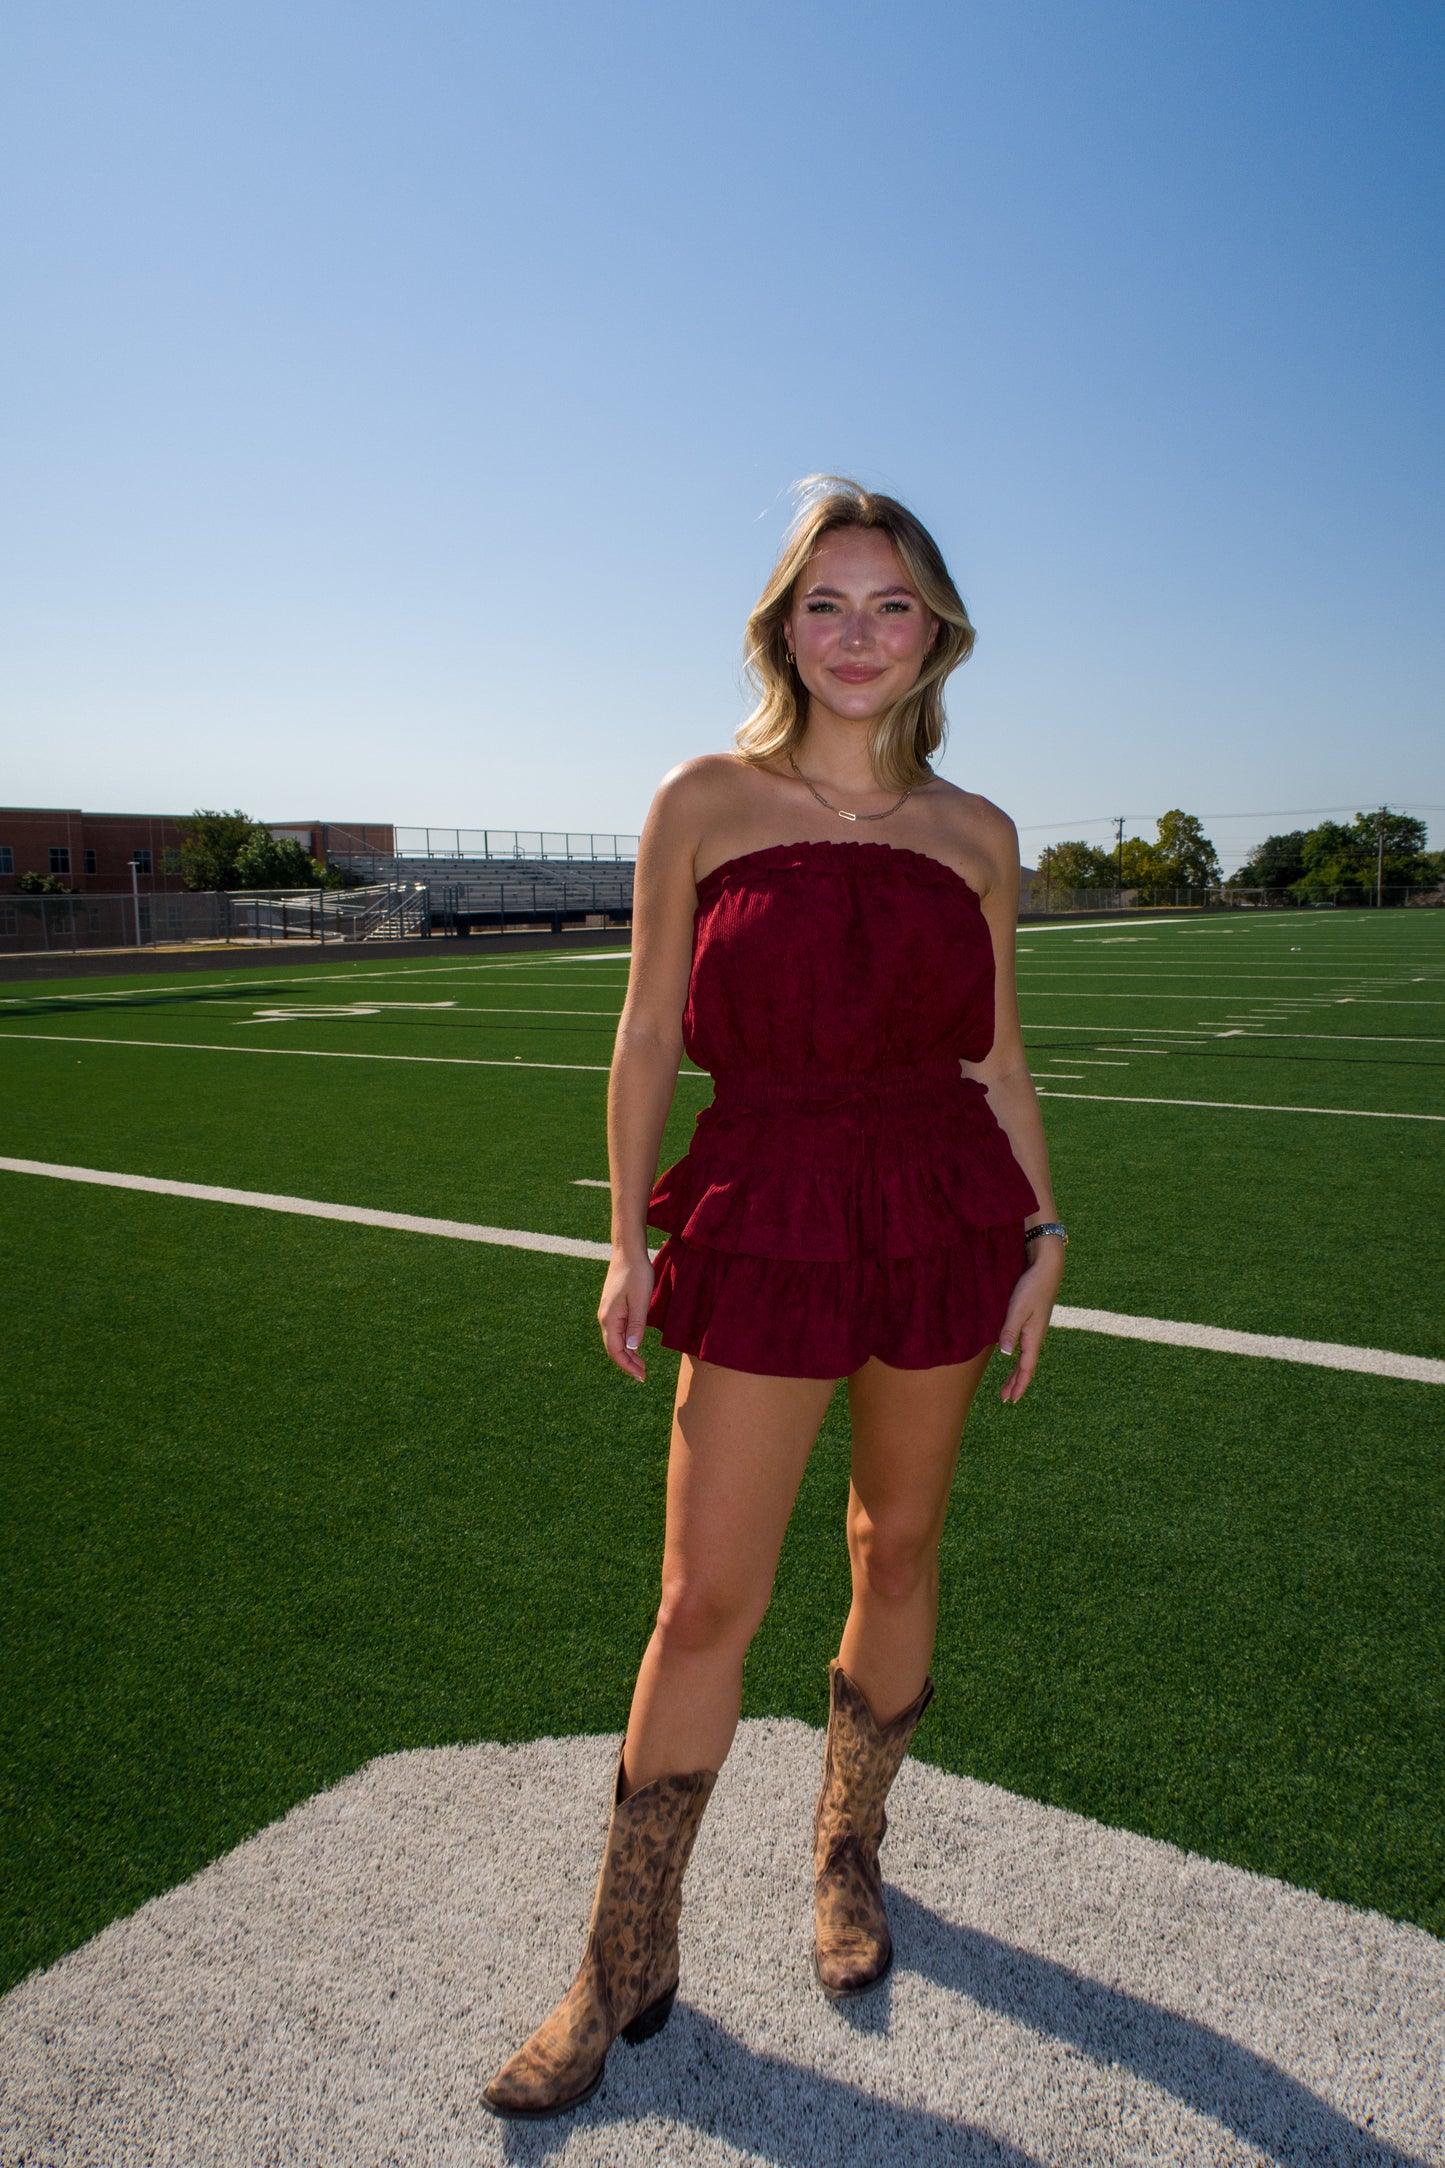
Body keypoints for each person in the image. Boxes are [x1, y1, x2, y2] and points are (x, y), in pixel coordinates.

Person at [484, 477, 1066, 2121]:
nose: (859, 634)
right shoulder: (703, 799)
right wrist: (624, 1239)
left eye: (891, 605)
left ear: (935, 628)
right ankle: (620, 1960)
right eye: (827, 605)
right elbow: (648, 1037)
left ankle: (847, 1850)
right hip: (766, 1200)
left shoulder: (976, 836)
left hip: (942, 1208)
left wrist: (1044, 1230)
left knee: (896, 1545)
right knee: (702, 1600)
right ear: (780, 628)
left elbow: (996, 1061)